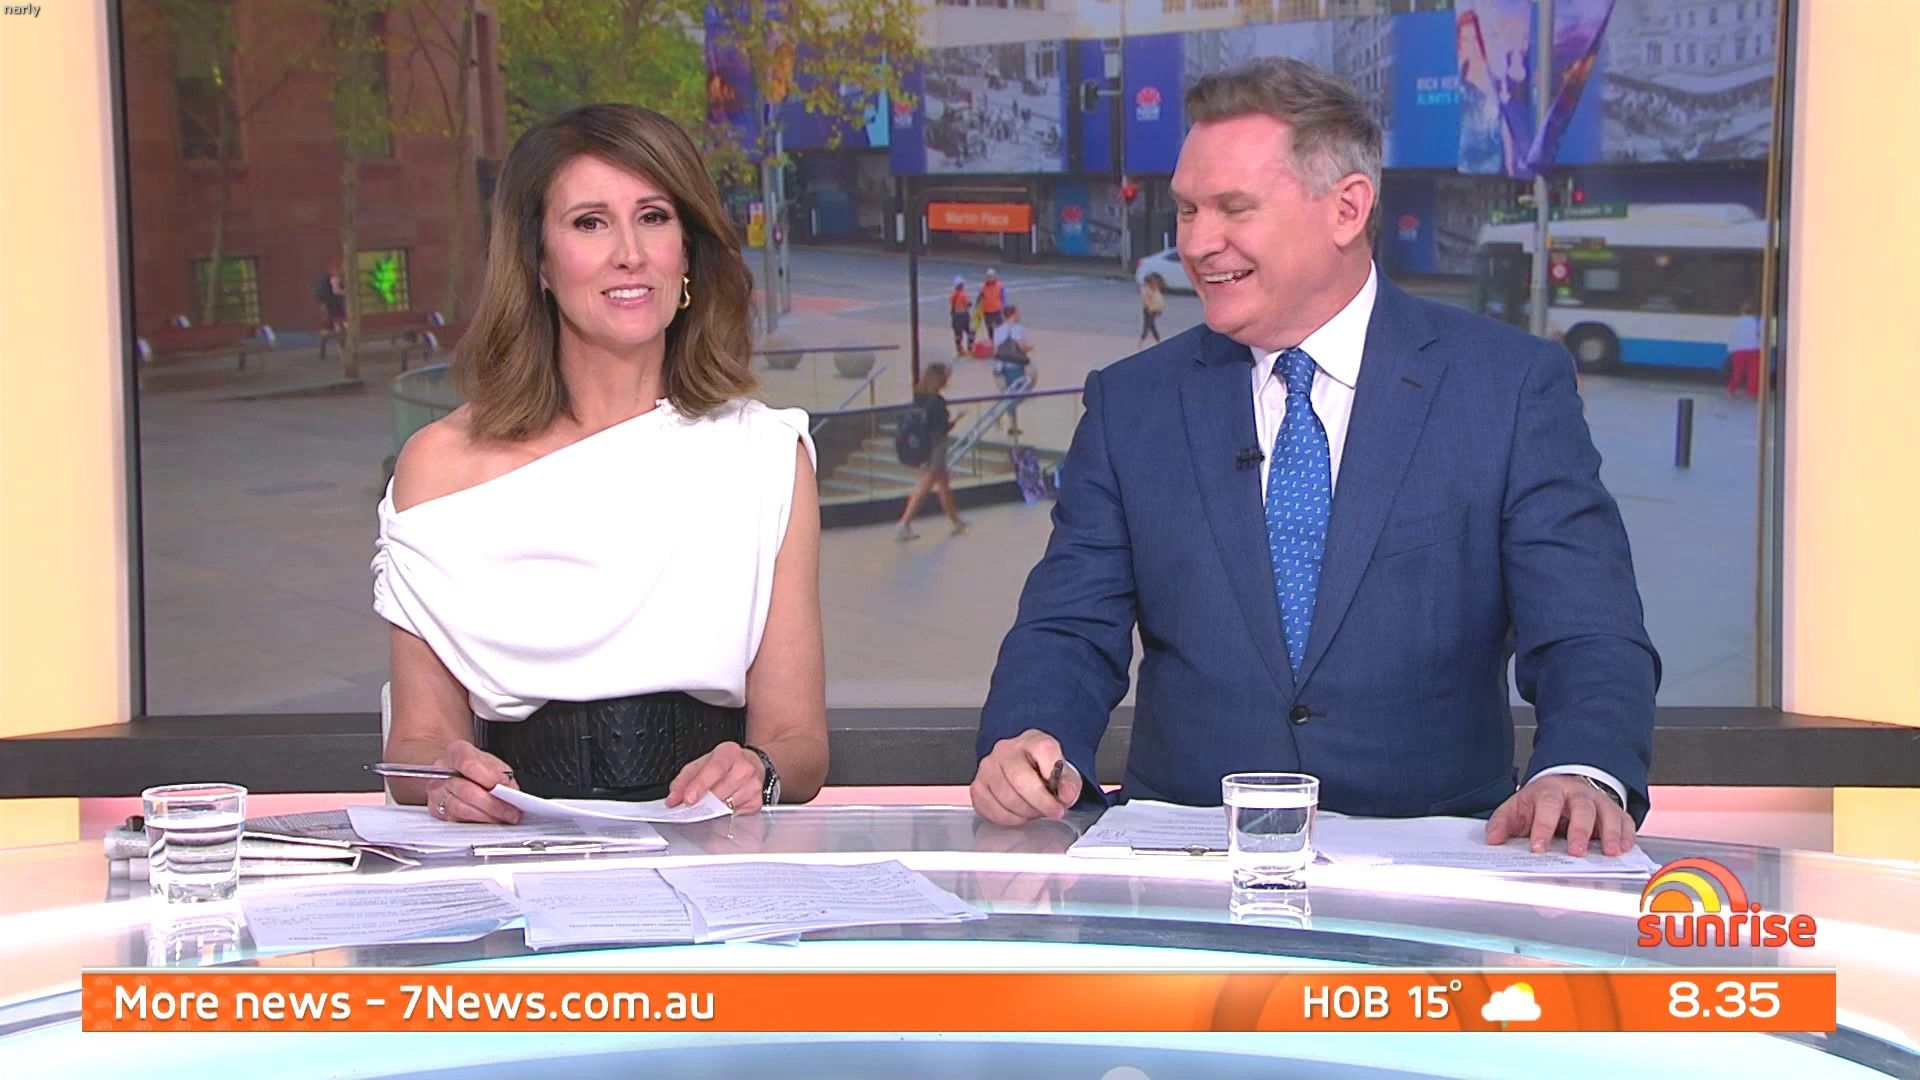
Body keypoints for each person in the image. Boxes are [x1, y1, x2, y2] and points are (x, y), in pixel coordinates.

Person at [971, 58, 1658, 860]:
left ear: (1347, 208)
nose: (1196, 243)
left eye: (1234, 208)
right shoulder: (1133, 403)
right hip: (1188, 868)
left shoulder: (1505, 388)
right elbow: (1067, 629)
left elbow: (1587, 630)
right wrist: (1031, 738)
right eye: (1187, 209)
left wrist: (1579, 770)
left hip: (1430, 866)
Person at [373, 103, 828, 822]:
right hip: (514, 849)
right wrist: (442, 776)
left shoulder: (765, 457)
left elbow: (798, 743)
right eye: (590, 222)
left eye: (653, 217)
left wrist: (758, 770)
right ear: (539, 262)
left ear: (687, 251)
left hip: (708, 845)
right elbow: (418, 742)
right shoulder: (439, 468)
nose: (630, 253)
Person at [894, 361, 969, 540]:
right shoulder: (937, 402)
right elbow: (943, 428)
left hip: (924, 443)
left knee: (943, 483)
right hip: (937, 446)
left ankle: (956, 521)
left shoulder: (919, 397)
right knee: (928, 482)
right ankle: (904, 522)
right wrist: (957, 418)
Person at [991, 304, 1035, 438]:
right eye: (1017, 313)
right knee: (1017, 395)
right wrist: (1030, 347)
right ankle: (1001, 416)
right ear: (1013, 315)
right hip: (1015, 366)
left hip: (1001, 367)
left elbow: (995, 349)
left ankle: (1012, 424)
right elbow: (1022, 346)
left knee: (1009, 394)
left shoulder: (998, 330)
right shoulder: (1018, 329)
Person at [1726, 299, 1762, 397]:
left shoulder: (1736, 322)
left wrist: (1730, 349)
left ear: (1741, 311)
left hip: (1739, 350)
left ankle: (1731, 389)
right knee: (1754, 373)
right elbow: (1762, 335)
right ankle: (1753, 392)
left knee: (1738, 372)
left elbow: (1733, 336)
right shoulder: (1758, 321)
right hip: (1755, 349)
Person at [948, 275, 975, 357]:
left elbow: (951, 303)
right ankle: (970, 348)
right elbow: (968, 304)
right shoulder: (963, 294)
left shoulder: (952, 294)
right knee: (970, 332)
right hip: (963, 315)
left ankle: (959, 350)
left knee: (958, 334)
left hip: (955, 315)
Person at [977, 268, 1007, 337]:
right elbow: (979, 298)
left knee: (999, 328)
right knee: (990, 329)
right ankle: (992, 341)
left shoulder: (1000, 285)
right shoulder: (983, 287)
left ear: (994, 276)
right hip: (987, 311)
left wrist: (1004, 307)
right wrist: (978, 309)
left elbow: (1003, 298)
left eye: (991, 276)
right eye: (988, 276)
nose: (990, 278)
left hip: (997, 310)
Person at [1139, 271, 1167, 344]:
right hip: (1150, 310)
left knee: (1149, 326)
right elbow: (1147, 300)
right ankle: (1154, 340)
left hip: (1152, 310)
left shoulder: (1153, 289)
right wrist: (1153, 309)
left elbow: (1158, 300)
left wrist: (1158, 310)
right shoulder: (1148, 289)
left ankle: (1143, 341)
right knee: (1149, 326)